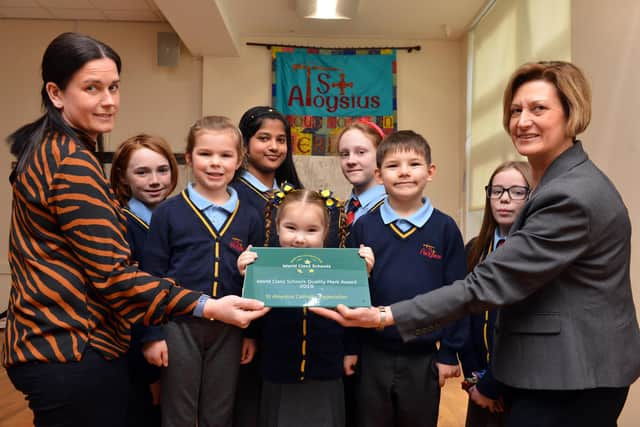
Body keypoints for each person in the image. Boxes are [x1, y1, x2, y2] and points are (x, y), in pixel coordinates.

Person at [312, 61, 640, 427]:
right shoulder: (558, 182)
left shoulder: (571, 194)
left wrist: (385, 316)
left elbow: (487, 284)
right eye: (516, 110)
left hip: (573, 376)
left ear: (572, 112)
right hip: (556, 371)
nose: (523, 121)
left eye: (539, 108)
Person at [3, 32, 268, 427]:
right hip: (70, 345)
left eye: (113, 87)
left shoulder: (51, 149)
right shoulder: (70, 162)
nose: (108, 100)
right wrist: (208, 305)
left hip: (52, 344)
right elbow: (112, 273)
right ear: (56, 93)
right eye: (92, 88)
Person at [141, 116, 265, 427]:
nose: (215, 163)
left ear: (239, 161)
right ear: (188, 157)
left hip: (231, 329)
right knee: (178, 409)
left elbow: (257, 282)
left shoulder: (250, 216)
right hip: (178, 326)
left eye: (225, 155)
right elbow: (151, 278)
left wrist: (250, 334)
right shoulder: (168, 213)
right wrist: (153, 335)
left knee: (220, 408)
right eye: (205, 154)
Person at [345, 130, 468, 427]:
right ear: (378, 174)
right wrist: (349, 347)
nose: (403, 173)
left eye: (413, 164)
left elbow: (459, 294)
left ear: (430, 171)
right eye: (392, 165)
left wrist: (449, 354)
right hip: (372, 354)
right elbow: (350, 290)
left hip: (424, 356)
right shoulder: (364, 227)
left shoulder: (445, 228)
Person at [237, 189, 374, 427]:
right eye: (291, 228)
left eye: (311, 230)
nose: (300, 238)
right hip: (278, 370)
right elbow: (254, 311)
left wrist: (363, 275)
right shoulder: (263, 265)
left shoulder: (340, 268)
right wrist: (247, 278)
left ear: (325, 232)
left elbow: (352, 312)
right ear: (278, 227)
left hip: (325, 370)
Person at [109, 133, 179, 427]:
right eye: (142, 172)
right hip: (136, 342)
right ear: (123, 178)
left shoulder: (179, 218)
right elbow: (129, 291)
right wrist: (151, 339)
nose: (155, 181)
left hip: (179, 335)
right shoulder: (121, 223)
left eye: (162, 170)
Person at [459, 161, 532, 427]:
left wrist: (493, 385)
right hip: (479, 384)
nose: (504, 199)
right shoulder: (473, 250)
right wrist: (476, 381)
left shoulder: (537, 254)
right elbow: (463, 317)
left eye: (516, 192)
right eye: (497, 190)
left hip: (522, 386)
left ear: (532, 195)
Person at [337, 119, 387, 227]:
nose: (351, 161)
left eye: (361, 152)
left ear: (381, 155)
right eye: (344, 154)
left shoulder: (392, 210)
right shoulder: (338, 211)